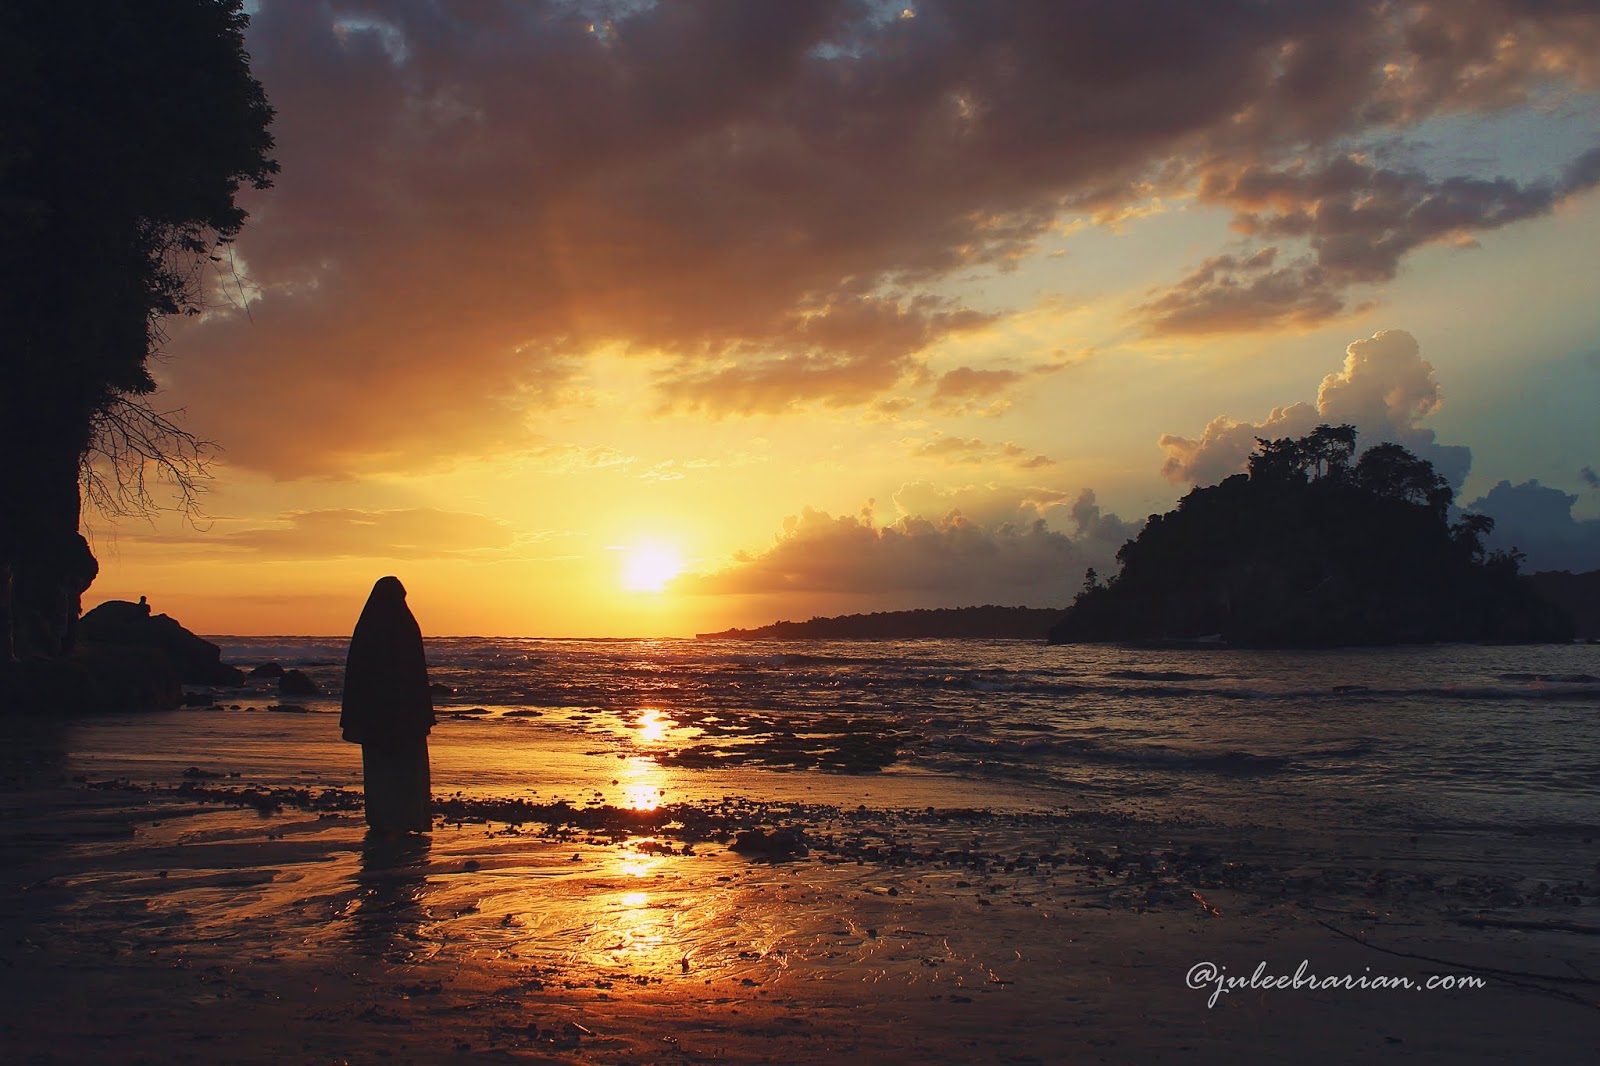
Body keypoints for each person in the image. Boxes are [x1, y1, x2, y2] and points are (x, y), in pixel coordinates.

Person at [340, 576, 435, 834]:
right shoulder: (406, 626)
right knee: (407, 770)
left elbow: (356, 675)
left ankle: (383, 819)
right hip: (406, 717)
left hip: (374, 717)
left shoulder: (367, 628)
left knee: (380, 771)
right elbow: (417, 676)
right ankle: (409, 817)